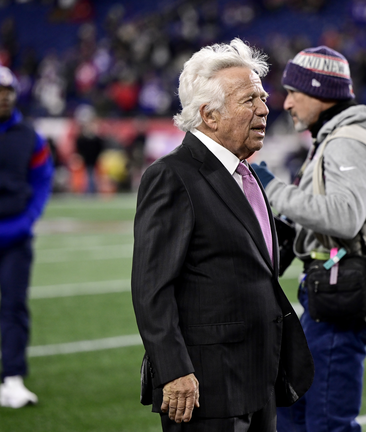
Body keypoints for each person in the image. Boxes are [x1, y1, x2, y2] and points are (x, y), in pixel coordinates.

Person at [130, 38, 313, 432]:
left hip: (258, 377)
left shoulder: (245, 174)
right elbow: (152, 288)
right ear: (209, 115)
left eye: (263, 98)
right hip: (205, 385)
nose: (265, 109)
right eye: (250, 100)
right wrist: (174, 370)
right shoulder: (172, 176)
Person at [250, 46, 366, 432]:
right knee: (294, 411)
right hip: (335, 285)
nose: (287, 102)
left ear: (320, 92)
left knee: (328, 420)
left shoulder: (347, 139)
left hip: (348, 289)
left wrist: (273, 190)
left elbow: (345, 217)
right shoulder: (335, 135)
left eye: (295, 91)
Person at [0, 62, 54, 408]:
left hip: (16, 237)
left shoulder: (30, 135)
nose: (5, 97)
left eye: (9, 91)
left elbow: (42, 179)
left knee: (14, 308)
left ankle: (12, 380)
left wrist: (28, 218)